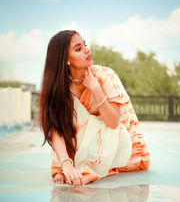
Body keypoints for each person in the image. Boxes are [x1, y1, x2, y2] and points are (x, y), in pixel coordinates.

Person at [39, 30, 150, 187]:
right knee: (67, 119)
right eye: (78, 49)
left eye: (85, 44)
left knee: (88, 121)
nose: (87, 50)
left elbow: (113, 124)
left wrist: (96, 89)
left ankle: (86, 167)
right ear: (65, 60)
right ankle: (71, 166)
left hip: (115, 141)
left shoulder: (104, 75)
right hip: (81, 144)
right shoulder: (59, 88)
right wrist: (66, 164)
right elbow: (56, 129)